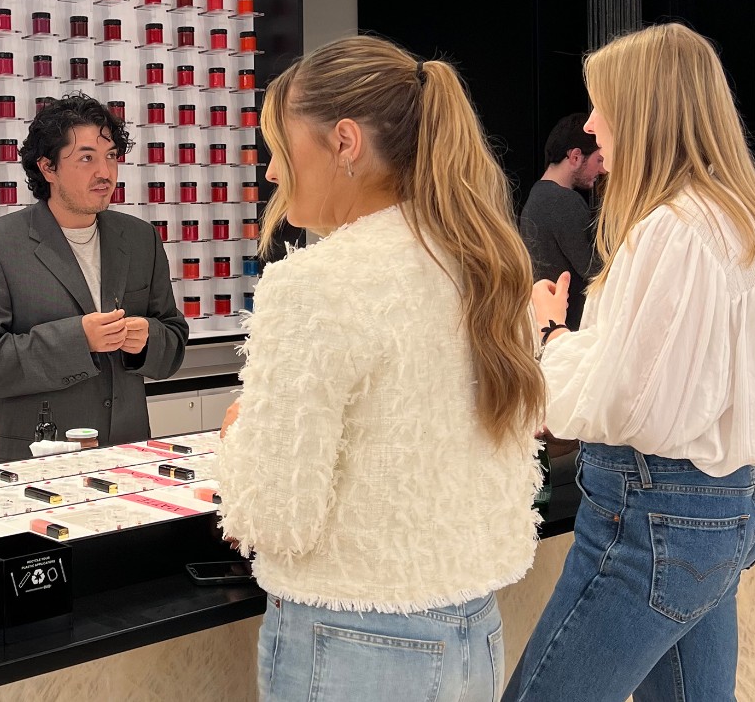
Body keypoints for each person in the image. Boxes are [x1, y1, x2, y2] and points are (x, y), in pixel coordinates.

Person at [215, 36, 545, 702]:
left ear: (343, 142)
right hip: (473, 629)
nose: (273, 173)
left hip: (347, 639)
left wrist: (237, 438)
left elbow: (278, 515)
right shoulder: (485, 268)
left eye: (280, 148)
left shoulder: (316, 283)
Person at [504, 23, 755, 701]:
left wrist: (550, 342)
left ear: (646, 113)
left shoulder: (672, 229)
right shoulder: (732, 221)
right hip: (721, 507)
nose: (590, 125)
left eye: (602, 107)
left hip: (650, 518)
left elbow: (629, 401)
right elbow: (654, 372)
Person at [0, 94, 188, 462]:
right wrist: (79, 340)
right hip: (37, 458)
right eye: (86, 158)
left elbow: (173, 341)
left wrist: (147, 340)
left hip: (129, 453)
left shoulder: (140, 238)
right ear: (48, 167)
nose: (105, 172)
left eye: (111, 156)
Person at [518, 113, 607, 328]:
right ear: (575, 157)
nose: (603, 170)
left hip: (548, 326)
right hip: (572, 328)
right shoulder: (563, 200)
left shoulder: (535, 197)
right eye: (599, 160)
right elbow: (596, 270)